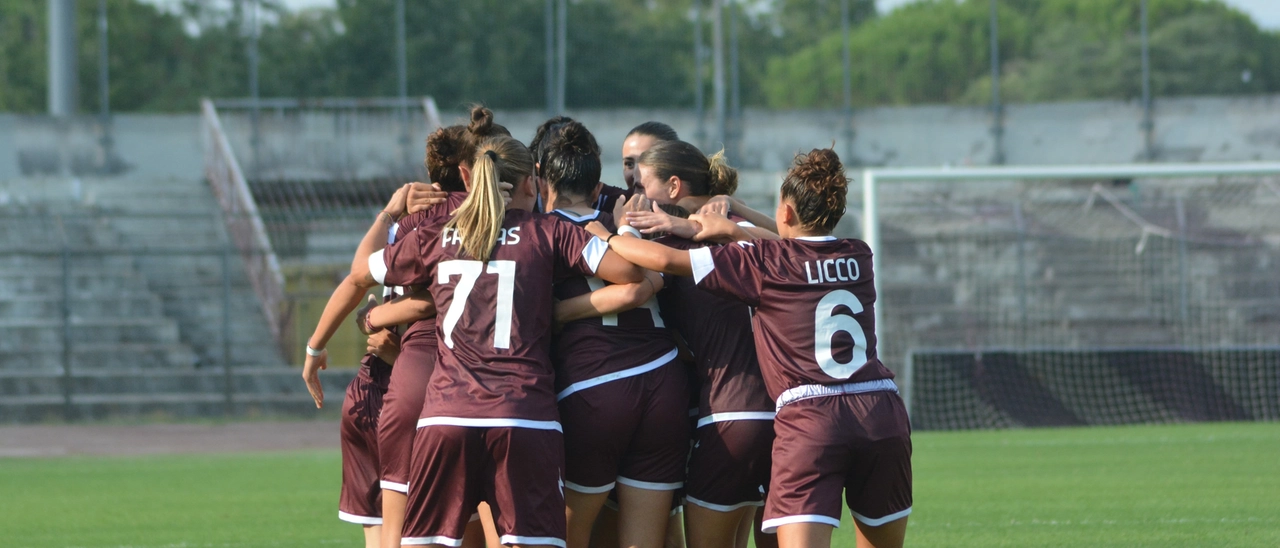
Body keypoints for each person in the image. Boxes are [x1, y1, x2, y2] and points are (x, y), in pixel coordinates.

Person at [582, 148, 912, 548]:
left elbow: (664, 258)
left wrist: (615, 233)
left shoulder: (766, 261)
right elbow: (793, 246)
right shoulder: (859, 254)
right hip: (881, 409)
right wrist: (735, 219)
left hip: (811, 416)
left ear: (786, 211)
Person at [352, 134, 645, 548]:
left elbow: (362, 271)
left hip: (446, 417)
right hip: (522, 416)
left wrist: (388, 218)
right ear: (532, 183)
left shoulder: (439, 233)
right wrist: (617, 233)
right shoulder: (549, 232)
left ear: (470, 179)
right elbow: (631, 274)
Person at [539, 121, 689, 548]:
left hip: (593, 386)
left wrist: (559, 313)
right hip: (664, 381)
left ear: (544, 179)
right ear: (597, 180)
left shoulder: (539, 230)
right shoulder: (632, 224)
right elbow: (655, 279)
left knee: (566, 536)